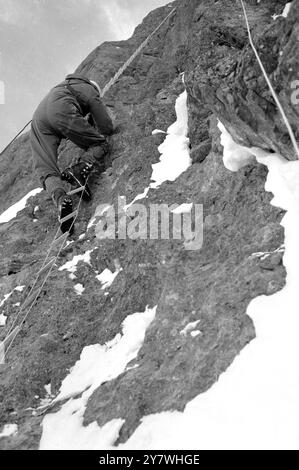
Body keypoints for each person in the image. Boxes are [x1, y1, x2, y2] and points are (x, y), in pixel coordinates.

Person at [30, 73, 114, 233]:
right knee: (101, 143)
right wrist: (98, 128)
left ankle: (60, 198)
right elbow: (106, 127)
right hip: (61, 109)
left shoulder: (62, 86)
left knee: (45, 168)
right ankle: (78, 171)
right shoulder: (89, 89)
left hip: (38, 120)